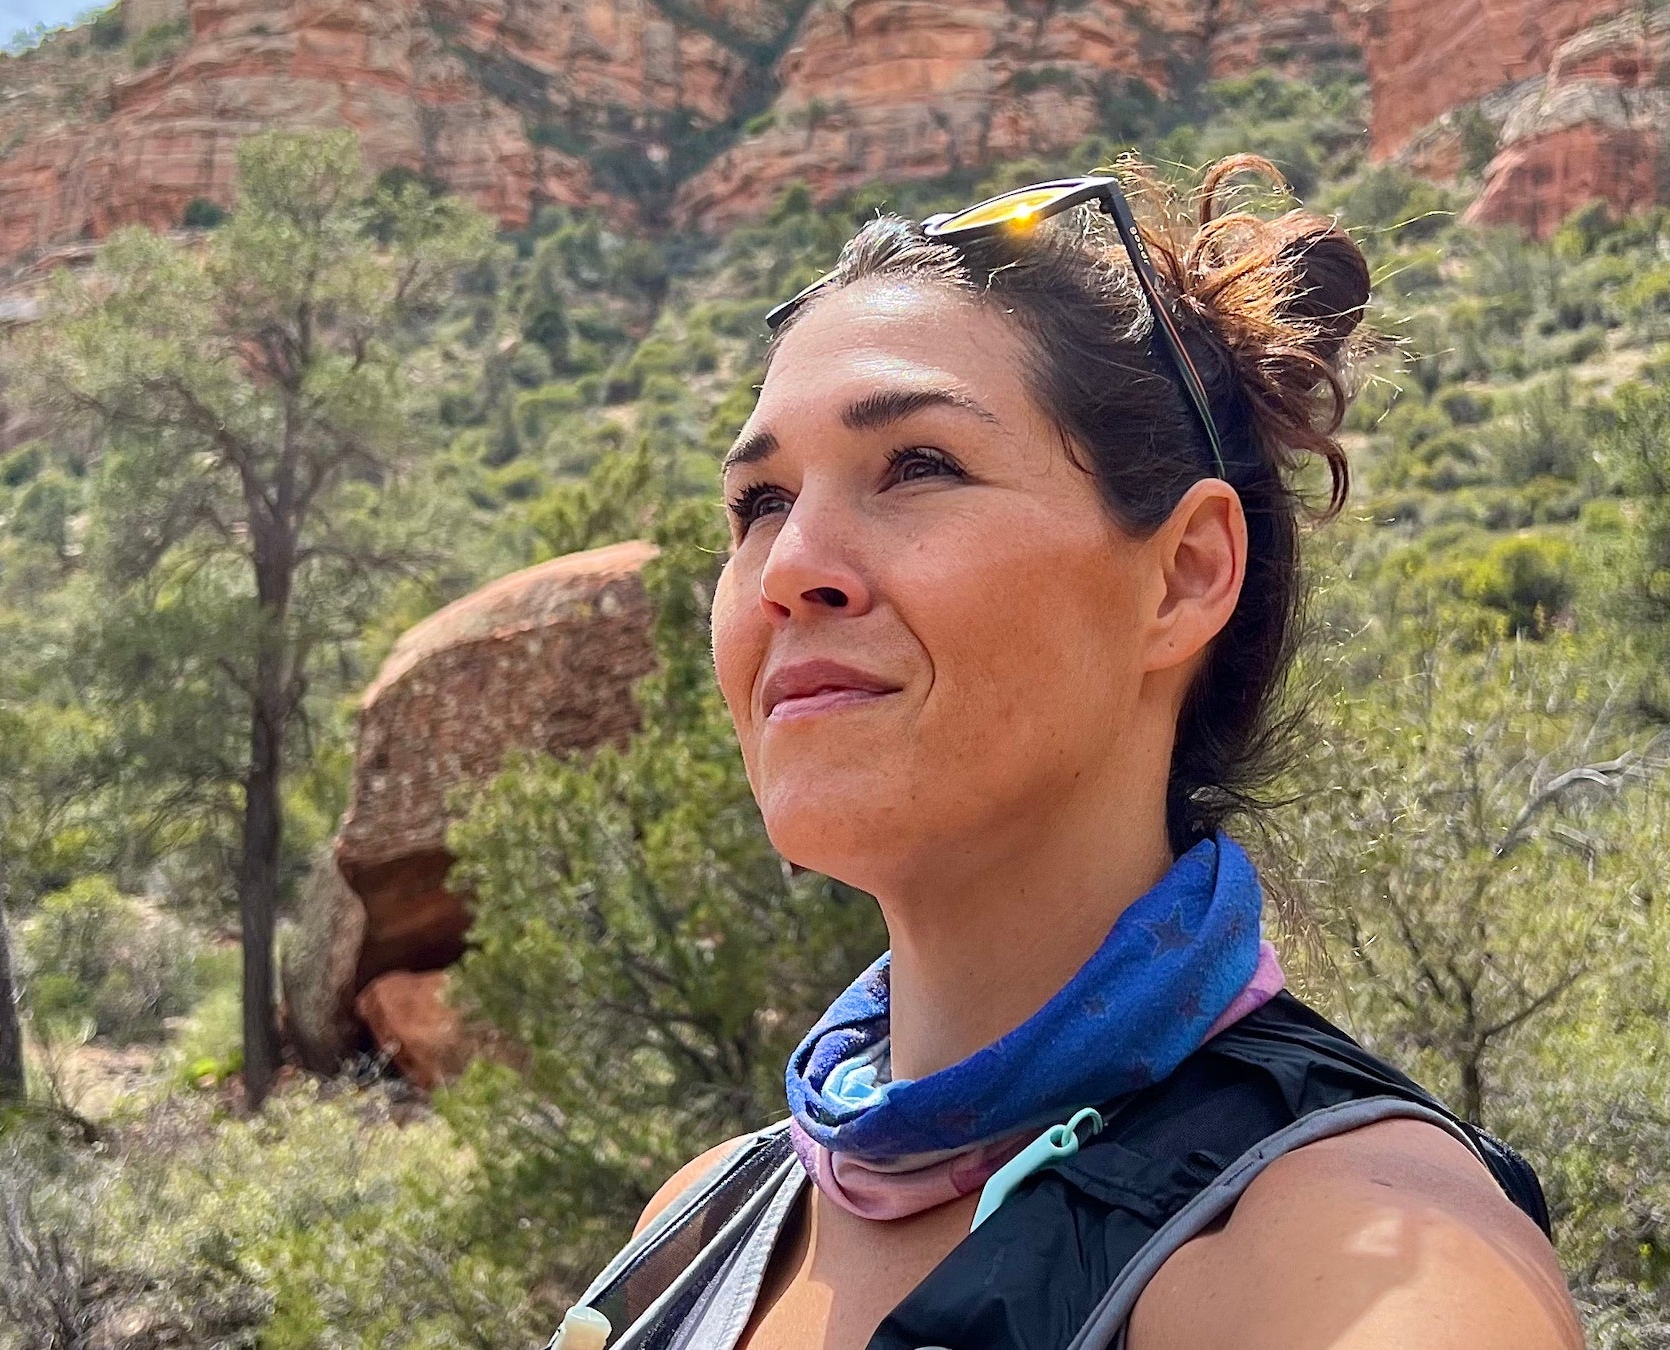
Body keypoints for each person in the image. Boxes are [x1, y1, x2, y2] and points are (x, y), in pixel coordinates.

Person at [552, 156, 1586, 1350]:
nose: (790, 568)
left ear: (1185, 574)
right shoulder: (701, 1229)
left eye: (920, 465)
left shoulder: (1341, 1256)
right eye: (759, 503)